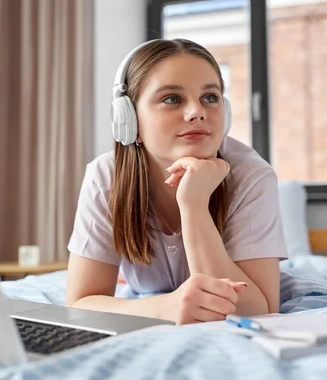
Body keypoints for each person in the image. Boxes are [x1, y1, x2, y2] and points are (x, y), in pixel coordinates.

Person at [65, 38, 287, 325]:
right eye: (172, 99)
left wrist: (194, 206)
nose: (198, 111)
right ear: (128, 119)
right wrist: (165, 307)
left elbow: (261, 310)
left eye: (210, 97)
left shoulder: (251, 176)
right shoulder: (105, 177)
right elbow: (80, 303)